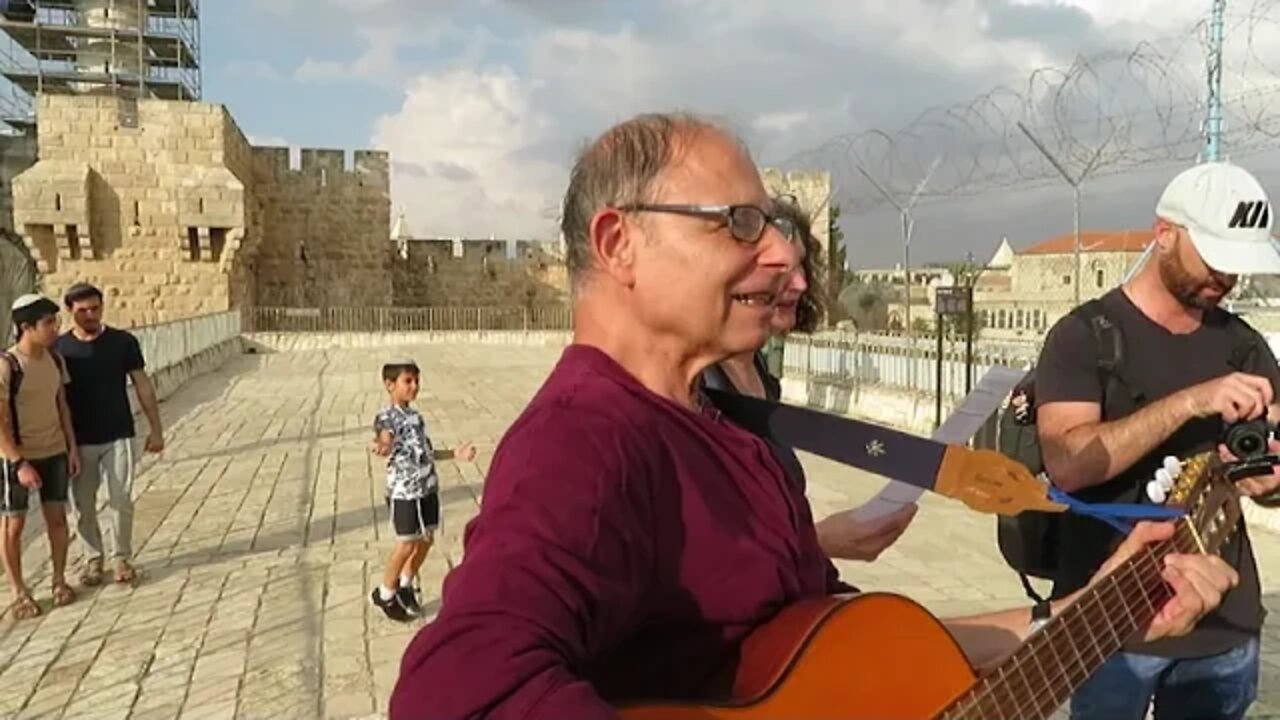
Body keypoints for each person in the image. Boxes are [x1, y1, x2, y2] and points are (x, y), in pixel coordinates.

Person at [389, 112, 1238, 719]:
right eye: (740, 224)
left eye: (780, 226)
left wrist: (1092, 609)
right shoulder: (586, 440)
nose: (785, 254)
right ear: (620, 245)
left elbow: (843, 650)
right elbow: (458, 691)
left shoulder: (732, 430)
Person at [1035, 160, 1280, 720]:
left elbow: (1270, 468)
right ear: (1164, 233)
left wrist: (1269, 481)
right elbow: (1069, 463)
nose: (1226, 278)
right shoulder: (1086, 338)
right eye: (1214, 257)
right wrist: (1193, 400)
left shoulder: (1244, 345)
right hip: (1112, 624)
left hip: (1223, 624)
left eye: (1237, 264)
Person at [699, 200, 917, 561]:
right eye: (781, 269)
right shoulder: (693, 389)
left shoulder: (761, 378)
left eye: (802, 267)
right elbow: (708, 559)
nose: (799, 283)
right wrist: (820, 542)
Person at [54, 283, 162, 587]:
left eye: (95, 308)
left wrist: (156, 429)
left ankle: (121, 558)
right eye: (82, 310)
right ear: (70, 311)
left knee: (121, 499)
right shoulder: (60, 350)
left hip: (118, 434)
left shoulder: (123, 342)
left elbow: (142, 384)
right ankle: (92, 559)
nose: (90, 315)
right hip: (80, 439)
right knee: (83, 504)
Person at [369, 360, 475, 622]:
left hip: (427, 488)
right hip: (405, 492)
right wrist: (383, 445)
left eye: (417, 381)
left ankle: (405, 584)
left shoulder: (416, 418)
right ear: (389, 385)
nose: (414, 386)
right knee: (406, 544)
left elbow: (426, 452)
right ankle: (385, 593)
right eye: (408, 381)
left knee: (426, 540)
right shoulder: (387, 417)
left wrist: (455, 454)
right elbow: (385, 436)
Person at [1, 294, 81, 619]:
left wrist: (71, 447)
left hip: (54, 451)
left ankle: (59, 580)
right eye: (49, 323)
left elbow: (62, 405)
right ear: (26, 327)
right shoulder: (8, 366)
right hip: (18, 457)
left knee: (58, 520)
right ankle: (19, 592)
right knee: (14, 525)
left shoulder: (55, 360)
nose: (55, 328)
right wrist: (18, 462)